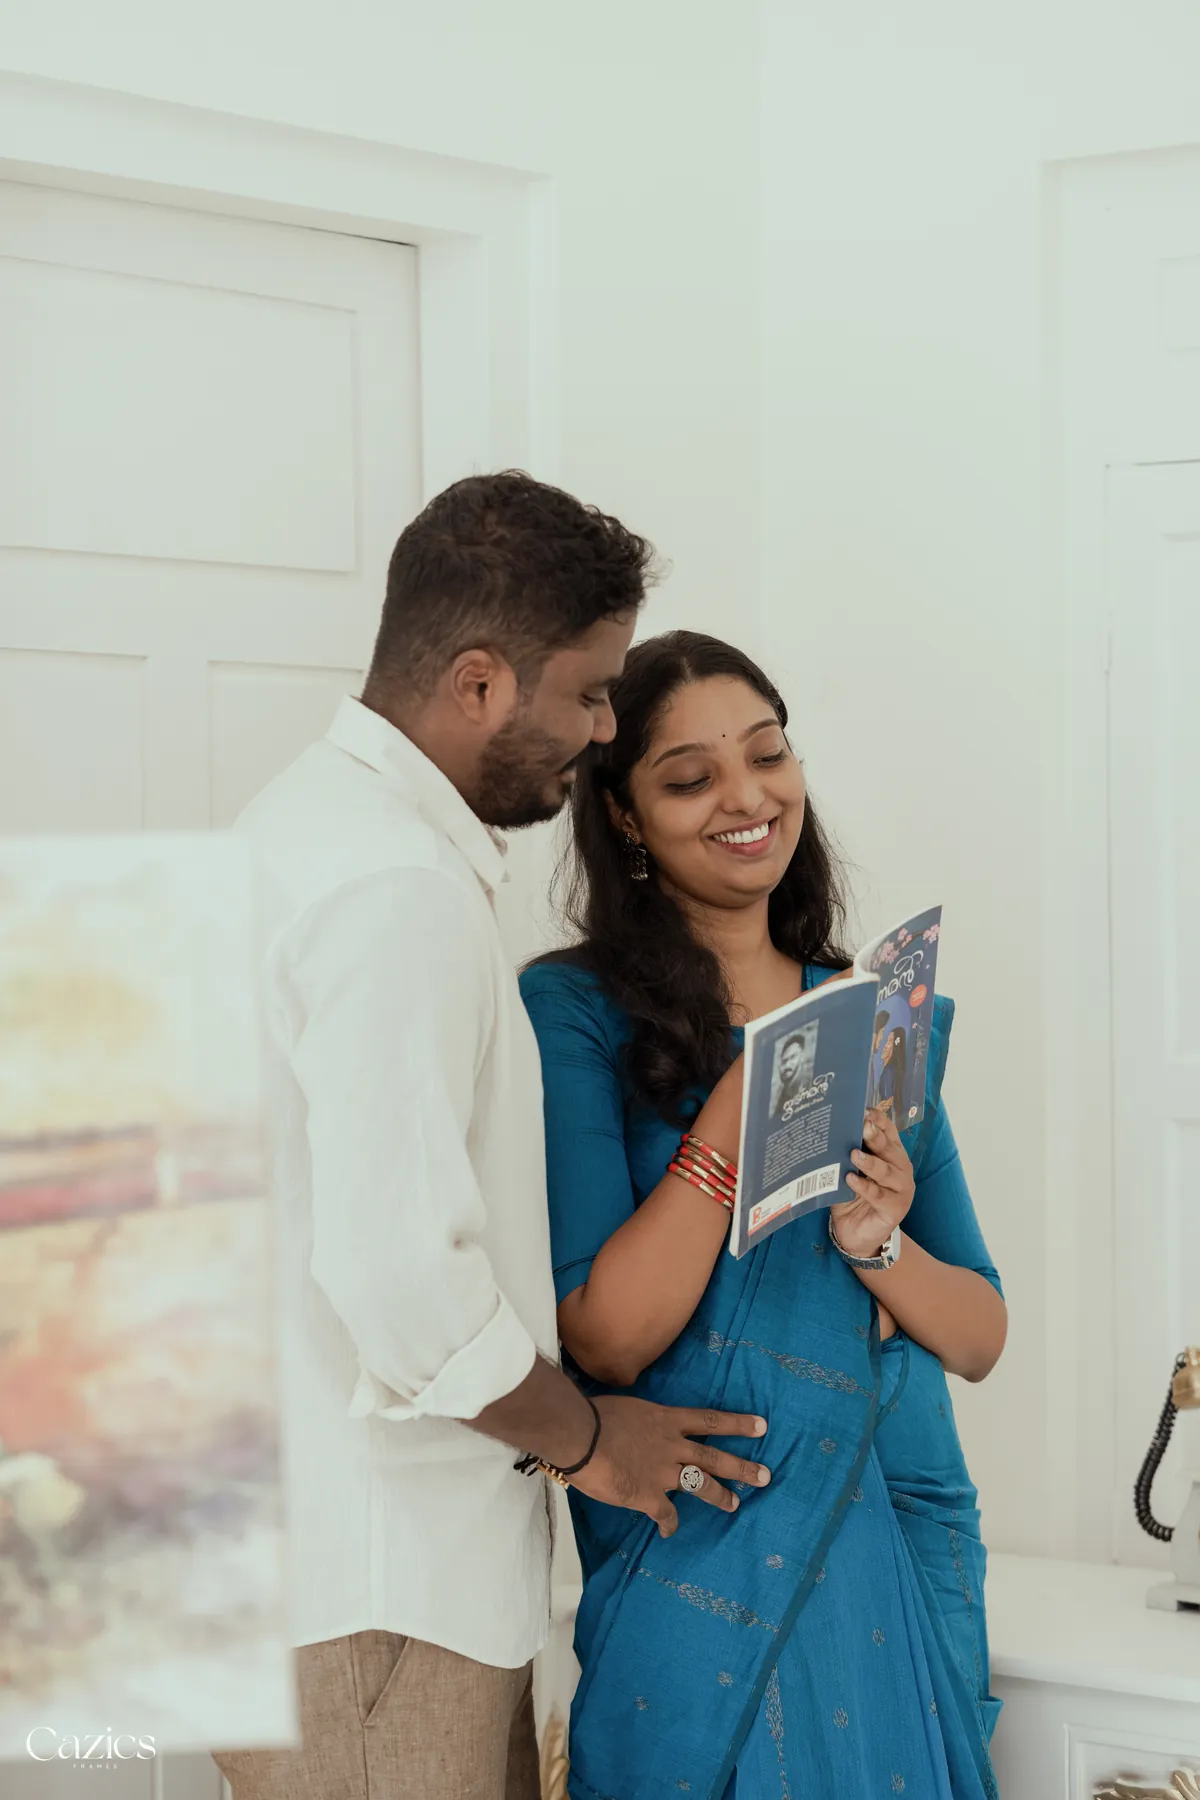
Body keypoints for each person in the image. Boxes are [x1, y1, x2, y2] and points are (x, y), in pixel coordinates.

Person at [215, 486, 769, 1800]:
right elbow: (404, 1282)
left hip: (319, 1569)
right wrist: (589, 1441)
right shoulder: (391, 889)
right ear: (478, 682)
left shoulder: (296, 829)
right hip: (381, 1595)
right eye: (585, 695)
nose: (599, 728)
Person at [520, 630, 1008, 1800]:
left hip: (887, 1519)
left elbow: (980, 1333)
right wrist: (734, 1116)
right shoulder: (574, 1012)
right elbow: (606, 1337)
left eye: (769, 756)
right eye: (689, 779)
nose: (746, 798)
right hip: (701, 1536)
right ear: (625, 816)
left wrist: (878, 1243)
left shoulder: (877, 1014)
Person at [773, 1030, 811, 1116]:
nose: (787, 1065)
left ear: (802, 1057)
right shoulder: (781, 1098)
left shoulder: (811, 1082)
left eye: (793, 1057)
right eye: (784, 1061)